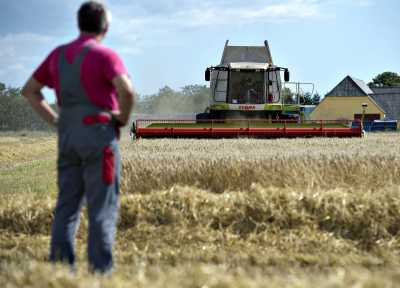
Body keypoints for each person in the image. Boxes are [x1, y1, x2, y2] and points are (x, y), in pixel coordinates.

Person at [21, 1, 135, 273]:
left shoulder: (58, 55)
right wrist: (121, 118)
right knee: (101, 208)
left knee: (67, 206)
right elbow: (126, 91)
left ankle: (61, 272)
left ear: (79, 24)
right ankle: (100, 273)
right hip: (98, 134)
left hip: (68, 136)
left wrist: (56, 121)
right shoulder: (105, 55)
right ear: (105, 26)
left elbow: (29, 91)